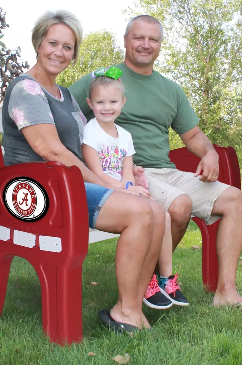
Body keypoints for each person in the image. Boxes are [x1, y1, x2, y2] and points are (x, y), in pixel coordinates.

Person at [69, 15, 242, 314]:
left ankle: (226, 292)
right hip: (130, 173)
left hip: (168, 170)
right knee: (179, 206)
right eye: (138, 37)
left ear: (160, 45)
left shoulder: (170, 89)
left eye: (153, 39)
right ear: (125, 41)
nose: (145, 45)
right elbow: (62, 110)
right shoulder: (104, 81)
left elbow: (192, 134)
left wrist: (209, 153)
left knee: (234, 200)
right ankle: (151, 280)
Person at [1, 10, 169, 332]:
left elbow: (90, 144)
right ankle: (128, 311)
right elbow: (50, 150)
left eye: (68, 47)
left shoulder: (64, 95)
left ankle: (129, 306)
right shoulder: (26, 88)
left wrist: (127, 173)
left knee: (157, 211)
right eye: (53, 43)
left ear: (74, 54)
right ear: (38, 43)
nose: (59, 52)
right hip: (37, 191)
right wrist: (111, 186)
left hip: (68, 183)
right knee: (139, 213)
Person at [81, 67, 189, 308]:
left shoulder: (125, 136)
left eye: (113, 101)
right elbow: (96, 173)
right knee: (147, 213)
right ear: (90, 103)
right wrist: (125, 189)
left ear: (123, 102)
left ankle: (165, 279)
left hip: (123, 189)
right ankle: (146, 281)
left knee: (163, 214)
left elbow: (127, 170)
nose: (106, 107)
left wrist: (132, 186)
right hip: (103, 190)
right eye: (100, 102)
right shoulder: (90, 131)